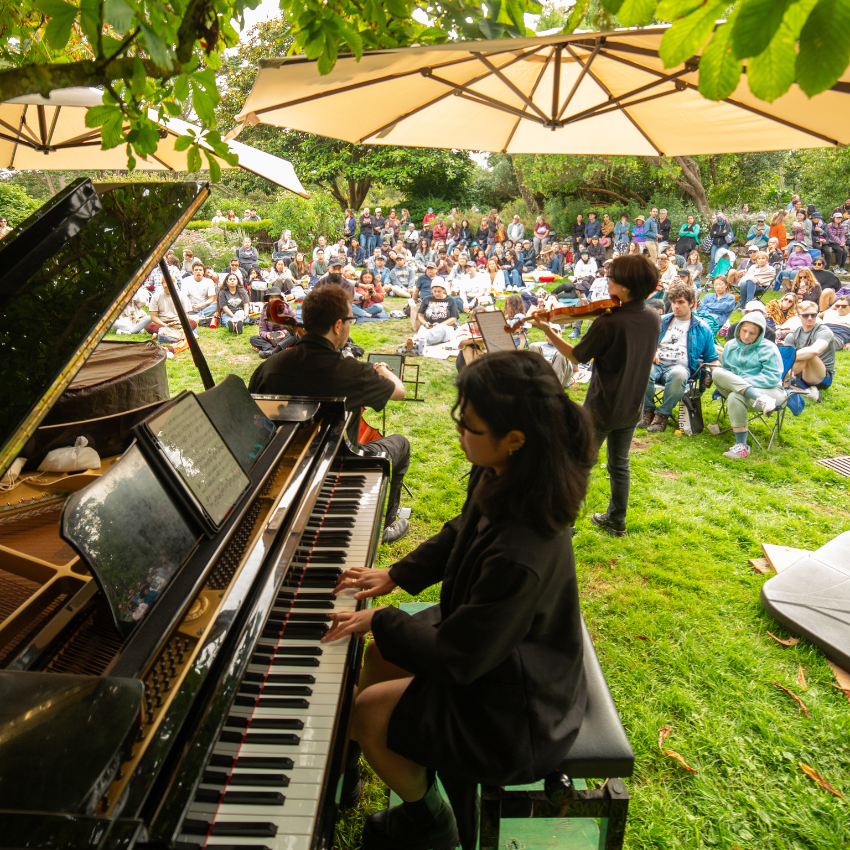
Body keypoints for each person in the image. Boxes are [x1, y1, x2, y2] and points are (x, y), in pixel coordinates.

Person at [327, 351, 594, 850]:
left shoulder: (522, 548)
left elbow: (457, 659)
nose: (458, 430)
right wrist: (397, 574)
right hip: (490, 645)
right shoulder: (511, 471)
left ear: (513, 438)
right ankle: (359, 759)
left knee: (369, 710)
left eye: (467, 424)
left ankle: (431, 823)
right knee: (383, 652)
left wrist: (382, 618)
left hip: (521, 708)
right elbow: (460, 529)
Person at [249, 284, 410, 543]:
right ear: (337, 326)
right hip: (340, 466)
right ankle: (389, 521)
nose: (350, 325)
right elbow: (399, 391)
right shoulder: (354, 372)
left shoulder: (268, 368)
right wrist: (383, 370)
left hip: (283, 469)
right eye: (350, 320)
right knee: (400, 443)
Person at [532, 254, 661, 535]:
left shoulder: (609, 322)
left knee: (578, 464)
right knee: (619, 464)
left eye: (612, 277)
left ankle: (565, 523)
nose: (607, 279)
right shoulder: (652, 315)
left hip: (602, 407)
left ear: (625, 287)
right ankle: (617, 520)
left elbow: (577, 356)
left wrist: (547, 330)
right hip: (631, 406)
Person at [640, 282, 719, 433]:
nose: (676, 306)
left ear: (692, 304)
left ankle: (662, 414)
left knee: (679, 374)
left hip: (679, 367)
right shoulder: (661, 320)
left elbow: (711, 357)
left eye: (681, 302)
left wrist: (715, 372)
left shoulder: (703, 328)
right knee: (643, 369)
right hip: (657, 363)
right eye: (674, 302)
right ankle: (647, 410)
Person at [709, 311, 786, 460]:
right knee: (717, 372)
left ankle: (741, 446)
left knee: (735, 396)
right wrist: (732, 382)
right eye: (744, 331)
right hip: (750, 394)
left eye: (752, 333)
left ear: (759, 335)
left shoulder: (769, 348)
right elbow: (726, 371)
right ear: (738, 329)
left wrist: (737, 383)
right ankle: (760, 400)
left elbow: (771, 378)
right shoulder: (730, 346)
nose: (746, 336)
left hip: (770, 391)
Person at [784, 301, 836, 401]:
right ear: (798, 315)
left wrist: (788, 360)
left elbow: (815, 350)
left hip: (822, 377)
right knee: (779, 382)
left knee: (808, 353)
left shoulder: (824, 331)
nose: (810, 318)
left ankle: (784, 379)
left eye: (813, 315)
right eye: (805, 315)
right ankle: (807, 392)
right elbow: (786, 358)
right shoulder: (792, 335)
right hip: (799, 374)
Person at [405, 279, 459, 351]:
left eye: (439, 291)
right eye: (434, 291)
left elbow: (453, 318)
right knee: (424, 331)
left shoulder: (450, 300)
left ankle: (415, 341)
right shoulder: (427, 299)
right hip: (429, 326)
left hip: (445, 327)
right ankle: (416, 344)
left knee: (439, 331)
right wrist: (425, 323)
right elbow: (420, 315)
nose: (436, 293)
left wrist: (440, 324)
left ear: (443, 290)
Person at [250, 286, 296, 359]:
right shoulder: (264, 311)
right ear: (268, 299)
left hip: (286, 336)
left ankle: (272, 351)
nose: (274, 299)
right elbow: (262, 330)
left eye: (276, 297)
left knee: (295, 334)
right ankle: (278, 351)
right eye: (271, 297)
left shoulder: (287, 308)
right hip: (272, 337)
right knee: (253, 339)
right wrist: (268, 335)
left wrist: (283, 333)